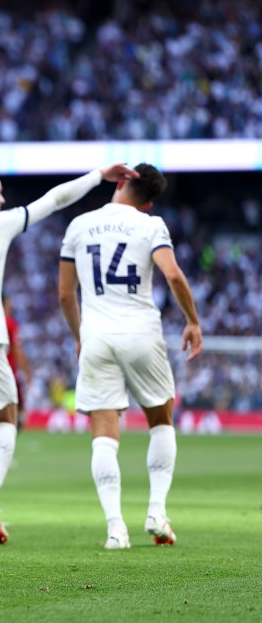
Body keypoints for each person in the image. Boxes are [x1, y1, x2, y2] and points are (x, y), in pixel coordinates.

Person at [0, 163, 138, 546]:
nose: (4, 198)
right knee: (6, 418)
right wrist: (96, 176)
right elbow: (53, 200)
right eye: (0, 191)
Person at [57, 163, 202, 550]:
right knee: (161, 419)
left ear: (122, 182)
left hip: (97, 335)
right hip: (140, 331)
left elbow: (65, 295)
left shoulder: (79, 225)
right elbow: (172, 275)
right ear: (148, 201)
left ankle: (115, 529)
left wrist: (79, 335)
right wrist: (192, 320)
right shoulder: (151, 225)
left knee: (104, 434)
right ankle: (156, 511)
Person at [3, 296, 33, 429]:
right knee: (17, 410)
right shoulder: (10, 323)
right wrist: (27, 371)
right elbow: (17, 350)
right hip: (9, 372)